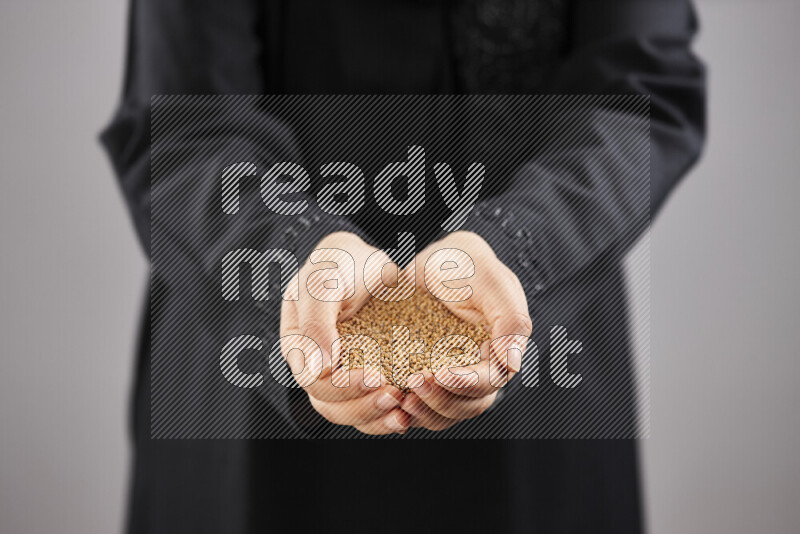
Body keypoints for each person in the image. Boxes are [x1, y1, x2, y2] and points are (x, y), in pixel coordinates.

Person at [101, 0, 705, 532]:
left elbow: (638, 93)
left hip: (535, 370)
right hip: (250, 380)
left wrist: (517, 246)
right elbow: (183, 122)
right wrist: (294, 258)